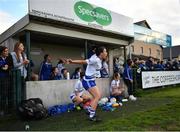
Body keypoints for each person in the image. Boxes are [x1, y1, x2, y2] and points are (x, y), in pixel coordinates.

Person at [67, 46, 108, 122]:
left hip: (91, 81)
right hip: (88, 81)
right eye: (105, 51)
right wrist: (72, 61)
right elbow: (83, 62)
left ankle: (89, 109)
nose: (106, 53)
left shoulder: (98, 58)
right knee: (97, 96)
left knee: (97, 97)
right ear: (101, 53)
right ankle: (91, 115)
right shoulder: (94, 59)